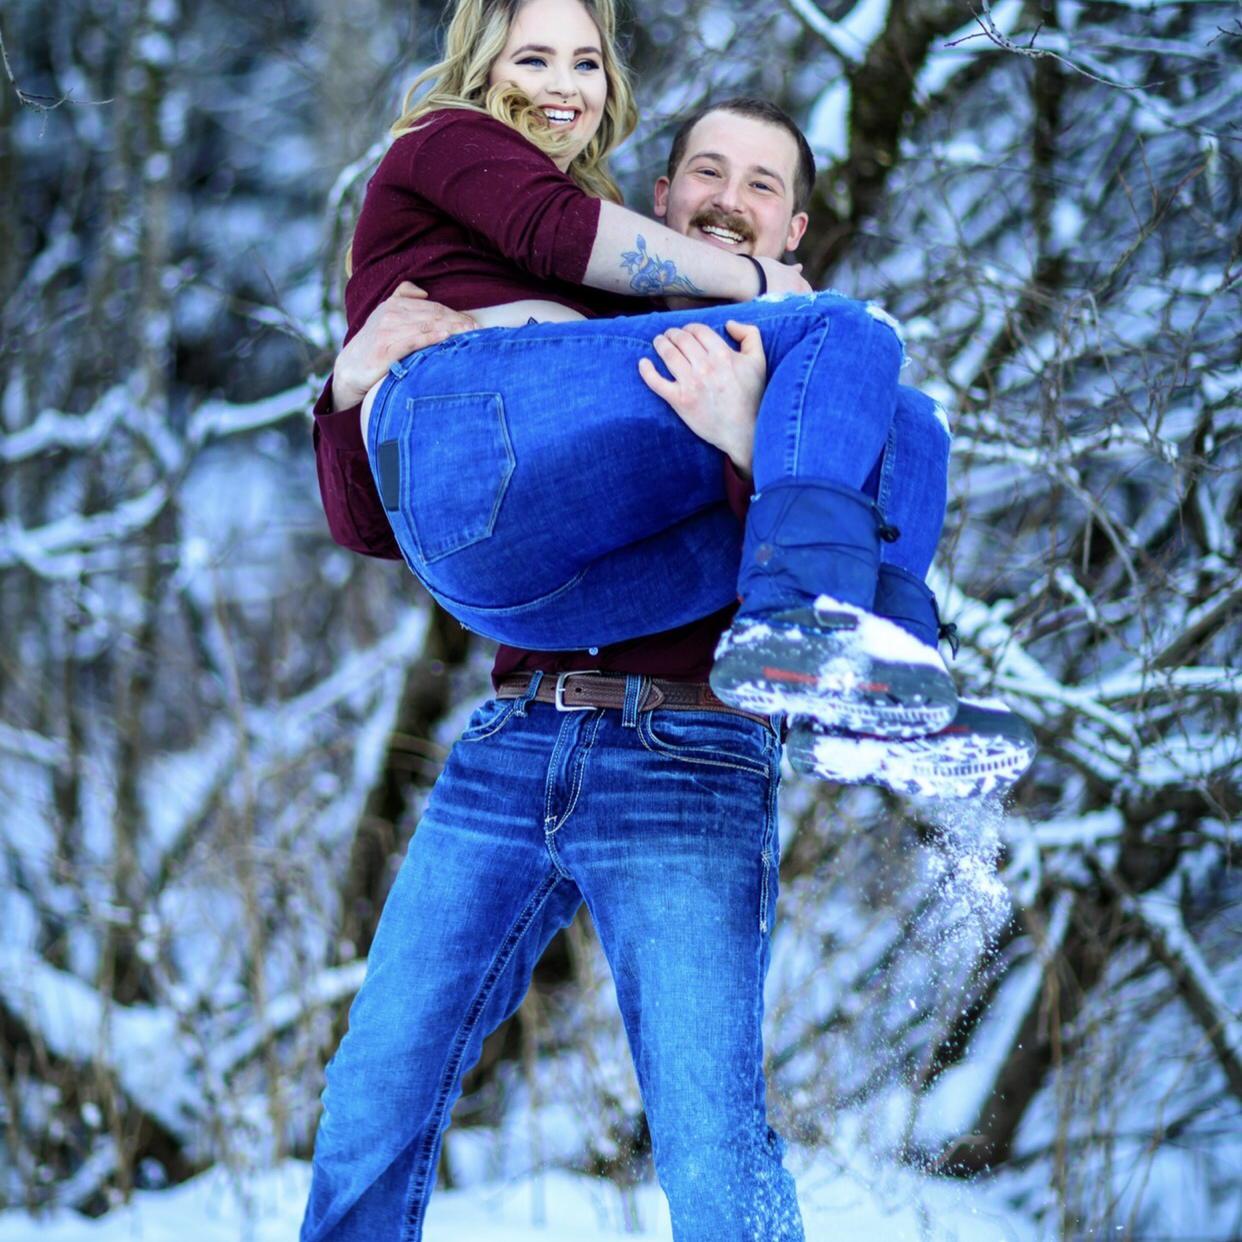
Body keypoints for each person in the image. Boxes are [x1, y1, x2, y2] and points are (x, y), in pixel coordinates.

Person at [320, 85, 1036, 799]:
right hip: (534, 713)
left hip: (696, 751)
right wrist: (349, 388)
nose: (728, 198)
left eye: (761, 185)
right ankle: (802, 618)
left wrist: (747, 439)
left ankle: (877, 696)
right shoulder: (577, 316)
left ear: (793, 230)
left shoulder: (829, 386)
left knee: (911, 422)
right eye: (708, 171)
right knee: (857, 328)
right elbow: (369, 529)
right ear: (661, 198)